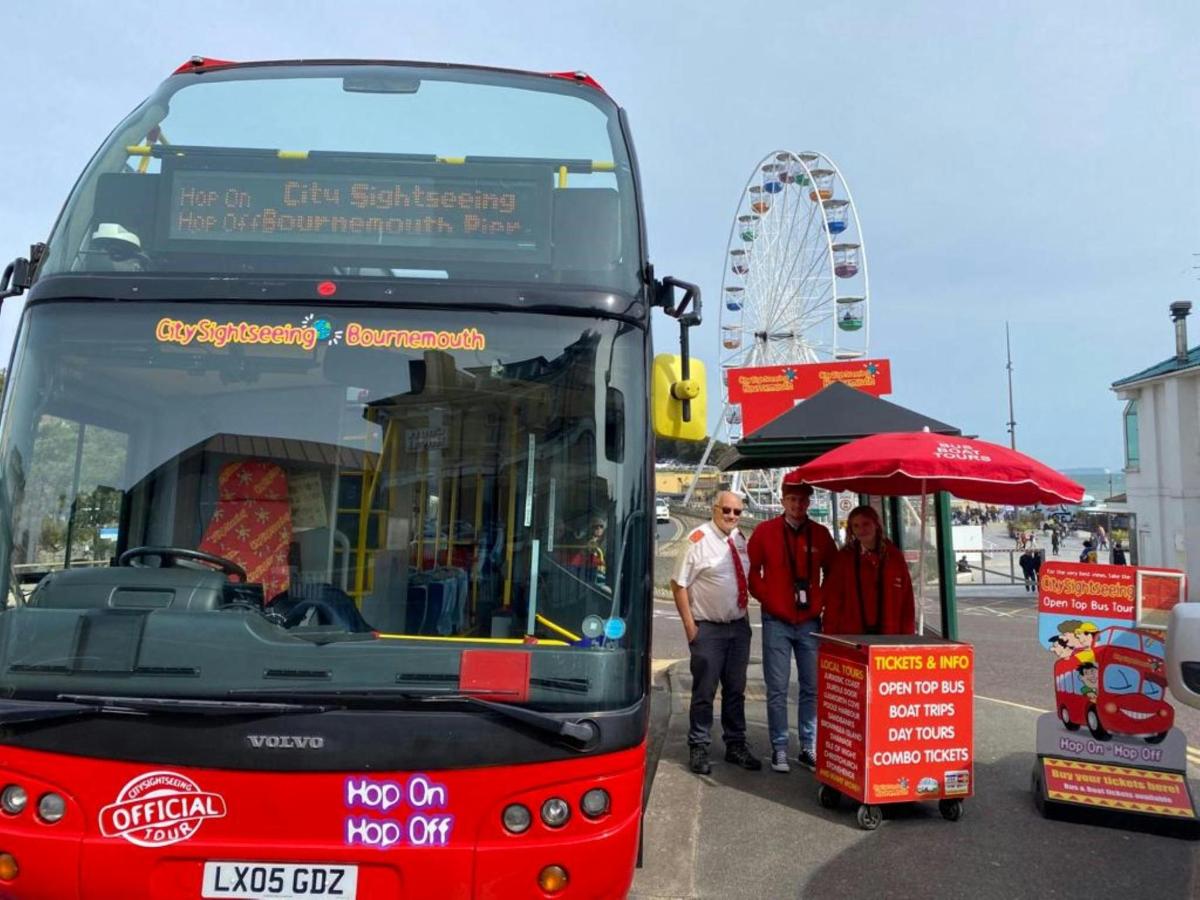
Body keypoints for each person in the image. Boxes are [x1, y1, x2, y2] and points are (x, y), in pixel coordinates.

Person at [747, 472, 836, 774]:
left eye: (802, 500)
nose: (798, 504)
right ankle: (780, 747)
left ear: (809, 502)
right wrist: (770, 600)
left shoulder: (821, 535)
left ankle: (808, 746)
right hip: (777, 621)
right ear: (783, 500)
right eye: (792, 499)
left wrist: (819, 601)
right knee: (777, 688)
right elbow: (754, 574)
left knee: (811, 687)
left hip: (809, 621)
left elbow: (832, 572)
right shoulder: (764, 532)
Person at [671, 491, 762, 775]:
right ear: (714, 509)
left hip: (737, 627)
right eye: (727, 510)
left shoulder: (739, 539)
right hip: (708, 628)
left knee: (736, 690)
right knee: (705, 691)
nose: (732, 516)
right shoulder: (697, 540)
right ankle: (698, 746)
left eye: (737, 512)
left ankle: (736, 745)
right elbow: (678, 584)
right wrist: (690, 628)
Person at [824, 505, 915, 636]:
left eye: (866, 524)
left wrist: (908, 635)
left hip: (890, 634)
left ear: (876, 525)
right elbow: (833, 599)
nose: (861, 530)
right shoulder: (844, 558)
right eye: (856, 526)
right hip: (852, 634)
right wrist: (830, 634)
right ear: (851, 530)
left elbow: (906, 600)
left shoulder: (894, 557)